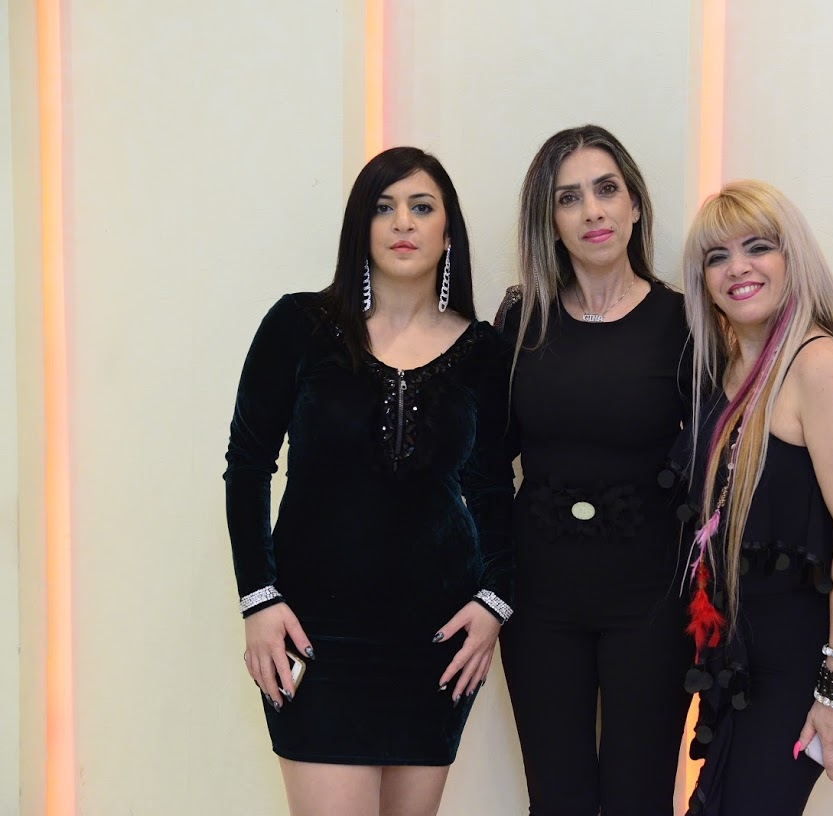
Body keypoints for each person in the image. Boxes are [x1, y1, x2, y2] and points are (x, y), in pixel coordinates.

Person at [224, 146, 514, 816]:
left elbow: (494, 489)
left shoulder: (485, 352)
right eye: (383, 208)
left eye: (421, 207)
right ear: (361, 226)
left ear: (448, 231)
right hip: (315, 633)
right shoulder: (299, 326)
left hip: (436, 640)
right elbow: (248, 465)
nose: (402, 222)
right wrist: (258, 599)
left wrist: (494, 601)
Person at [679, 180, 833, 815]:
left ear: (793, 259)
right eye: (717, 256)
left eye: (758, 247)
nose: (737, 267)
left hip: (807, 658)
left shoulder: (821, 365)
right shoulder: (726, 372)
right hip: (740, 657)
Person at [494, 124, 693, 816]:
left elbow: (714, 464)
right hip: (538, 603)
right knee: (557, 800)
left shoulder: (685, 321)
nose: (593, 211)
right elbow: (484, 464)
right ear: (550, 222)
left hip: (652, 603)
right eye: (569, 198)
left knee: (642, 800)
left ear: (634, 204)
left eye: (606, 190)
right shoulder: (521, 321)